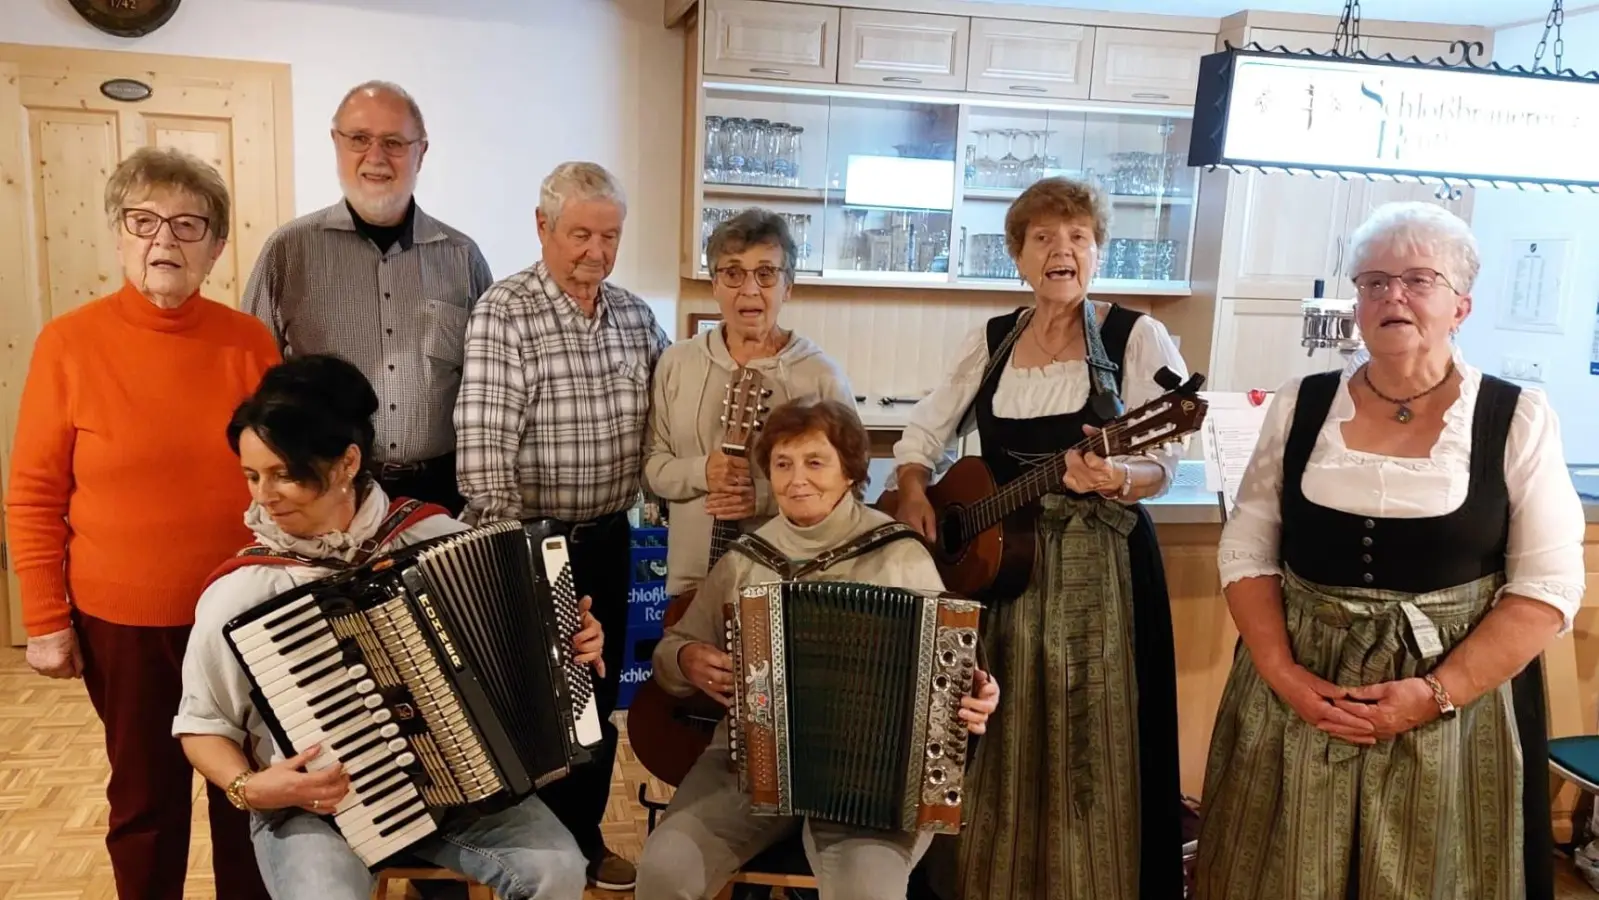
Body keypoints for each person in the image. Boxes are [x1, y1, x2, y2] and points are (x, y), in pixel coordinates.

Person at [1193, 202, 1586, 900]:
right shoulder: (1300, 403)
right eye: (1372, 282)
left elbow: (1546, 589)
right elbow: (1248, 551)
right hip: (1295, 692)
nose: (1390, 296)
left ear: (1459, 305)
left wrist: (1433, 695)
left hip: (1445, 707)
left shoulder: (1514, 416)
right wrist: (1282, 673)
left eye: (1416, 280)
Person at [172, 353, 605, 899]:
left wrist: (573, 641)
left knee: (560, 870)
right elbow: (202, 725)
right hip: (316, 807)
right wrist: (250, 786)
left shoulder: (432, 537)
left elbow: (533, 646)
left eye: (286, 474)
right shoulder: (244, 588)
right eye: (252, 475)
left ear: (347, 462)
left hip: (462, 793)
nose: (263, 495)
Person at [890, 176, 1188, 899]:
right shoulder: (993, 339)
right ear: (1018, 258)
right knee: (995, 724)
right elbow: (927, 429)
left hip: (1097, 570)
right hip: (997, 566)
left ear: (1099, 250)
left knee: (1085, 733)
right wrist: (909, 486)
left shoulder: (1133, 335)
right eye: (1044, 238)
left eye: (1078, 236)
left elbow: (1165, 462)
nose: (1063, 250)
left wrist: (1116, 477)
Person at [5, 146, 279, 900]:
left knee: (248, 792)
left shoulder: (248, 343)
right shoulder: (69, 344)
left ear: (217, 247)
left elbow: (281, 482)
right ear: (118, 234)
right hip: (122, 622)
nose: (165, 241)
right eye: (145, 221)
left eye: (189, 225)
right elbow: (32, 493)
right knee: (145, 802)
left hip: (241, 617)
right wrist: (45, 617)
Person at [634, 397, 1000, 900]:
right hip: (747, 767)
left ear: (849, 472)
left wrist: (979, 694)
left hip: (874, 783)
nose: (796, 478)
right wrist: (685, 660)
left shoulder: (898, 556)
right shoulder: (746, 561)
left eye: (814, 462)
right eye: (782, 464)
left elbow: (962, 675)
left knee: (866, 892)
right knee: (664, 870)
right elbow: (670, 654)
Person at [454, 160, 669, 890]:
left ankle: (580, 842)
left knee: (599, 705)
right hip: (529, 545)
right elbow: (483, 465)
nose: (596, 253)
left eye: (610, 237)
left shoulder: (637, 318)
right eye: (580, 234)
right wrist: (534, 570)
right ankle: (530, 852)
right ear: (542, 227)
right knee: (539, 707)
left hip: (610, 539)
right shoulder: (504, 311)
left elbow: (669, 428)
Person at [242, 80, 494, 516]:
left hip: (439, 494)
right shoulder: (287, 252)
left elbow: (489, 383)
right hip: (326, 492)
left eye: (394, 142)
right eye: (359, 139)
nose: (375, 157)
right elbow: (253, 381)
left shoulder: (462, 257)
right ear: (336, 142)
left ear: (422, 151)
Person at [645, 207, 854, 602]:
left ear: (787, 286)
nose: (750, 289)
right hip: (691, 589)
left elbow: (850, 489)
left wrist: (761, 497)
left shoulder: (820, 375)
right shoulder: (676, 363)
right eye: (733, 272)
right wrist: (701, 471)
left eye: (766, 273)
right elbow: (653, 468)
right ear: (715, 284)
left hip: (787, 587)